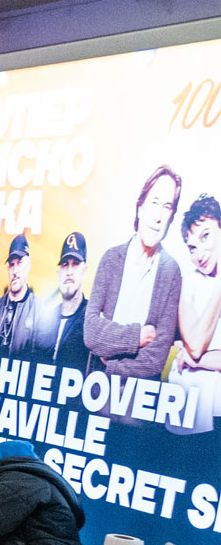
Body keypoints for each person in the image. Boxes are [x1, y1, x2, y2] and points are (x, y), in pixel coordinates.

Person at [85, 165, 184, 392]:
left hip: (140, 403)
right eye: (154, 202)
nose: (158, 216)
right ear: (140, 206)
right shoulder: (111, 259)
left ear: (172, 216)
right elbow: (91, 333)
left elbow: (157, 358)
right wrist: (137, 336)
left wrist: (112, 363)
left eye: (167, 206)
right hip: (97, 395)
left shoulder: (171, 272)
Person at [167, 192, 221, 433]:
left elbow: (193, 355)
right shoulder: (188, 282)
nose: (199, 254)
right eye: (192, 247)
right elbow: (196, 344)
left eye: (206, 236)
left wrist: (196, 361)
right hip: (183, 410)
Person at [0, 233, 50, 360]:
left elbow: (42, 360)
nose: (15, 271)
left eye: (19, 263)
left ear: (28, 265)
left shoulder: (39, 311)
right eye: (11, 265)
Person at [47, 230, 91, 375]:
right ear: (58, 271)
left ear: (84, 270)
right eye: (65, 264)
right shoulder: (47, 319)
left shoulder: (92, 319)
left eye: (75, 264)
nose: (69, 272)